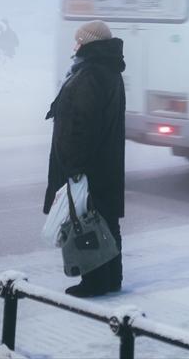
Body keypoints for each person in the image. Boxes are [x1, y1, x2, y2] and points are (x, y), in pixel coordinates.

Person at [43, 20, 126, 298]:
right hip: (105, 162)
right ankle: (112, 278)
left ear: (88, 44)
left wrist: (74, 166)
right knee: (106, 220)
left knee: (87, 221)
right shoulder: (108, 70)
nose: (74, 45)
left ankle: (94, 281)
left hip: (88, 165)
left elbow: (81, 126)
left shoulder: (90, 76)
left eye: (78, 41)